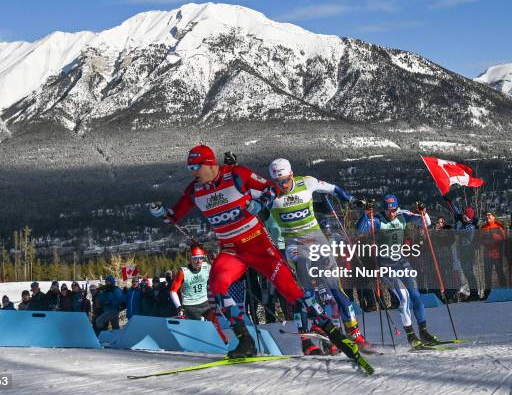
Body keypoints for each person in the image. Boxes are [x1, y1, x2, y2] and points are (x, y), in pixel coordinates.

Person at [150, 145, 362, 362]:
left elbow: (271, 188)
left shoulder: (236, 175)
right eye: (190, 167)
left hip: (258, 244)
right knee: (217, 285)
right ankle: (245, 340)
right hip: (232, 250)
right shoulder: (194, 190)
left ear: (209, 163)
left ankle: (332, 332)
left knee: (292, 293)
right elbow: (174, 216)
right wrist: (162, 213)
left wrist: (261, 203)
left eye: (196, 166)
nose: (193, 172)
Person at [267, 158, 372, 354]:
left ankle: (354, 333)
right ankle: (314, 333)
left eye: (284, 181)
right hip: (294, 244)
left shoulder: (306, 182)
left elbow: (333, 189)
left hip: (317, 239)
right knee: (306, 288)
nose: (282, 186)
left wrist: (352, 200)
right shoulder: (269, 193)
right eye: (277, 183)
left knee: (335, 289)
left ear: (291, 175)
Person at [357, 194, 440, 348]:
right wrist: (366, 212)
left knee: (416, 296)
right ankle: (411, 336)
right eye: (389, 211)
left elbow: (426, 222)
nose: (392, 213)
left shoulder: (403, 215)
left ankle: (423, 332)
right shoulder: (378, 219)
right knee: (404, 297)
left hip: (402, 262)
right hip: (386, 266)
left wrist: (423, 211)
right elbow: (359, 230)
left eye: (394, 210)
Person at [170, 246, 228, 342]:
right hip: (190, 306)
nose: (198, 262)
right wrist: (178, 306)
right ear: (190, 258)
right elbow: (173, 291)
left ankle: (223, 341)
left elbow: (219, 270)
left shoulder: (206, 267)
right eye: (195, 259)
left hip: (204, 303)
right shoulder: (183, 272)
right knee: (199, 328)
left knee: (214, 322)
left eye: (201, 258)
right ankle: (200, 344)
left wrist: (217, 260)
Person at [443, 195, 480, 301]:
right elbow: (457, 212)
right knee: (467, 273)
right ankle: (473, 293)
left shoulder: (471, 227)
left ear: (470, 217)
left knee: (469, 272)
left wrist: (458, 222)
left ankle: (474, 293)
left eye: (466, 216)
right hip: (463, 251)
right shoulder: (466, 222)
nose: (464, 217)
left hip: (468, 251)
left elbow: (458, 231)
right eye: (464, 215)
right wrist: (450, 202)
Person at [479, 211, 506, 298]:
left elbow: (503, 238)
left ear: (494, 216)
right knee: (487, 274)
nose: (487, 217)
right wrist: (488, 242)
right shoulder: (483, 227)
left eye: (489, 215)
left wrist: (494, 236)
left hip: (497, 254)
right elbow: (480, 240)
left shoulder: (498, 226)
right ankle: (487, 293)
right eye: (486, 215)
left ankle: (504, 290)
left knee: (500, 272)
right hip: (487, 254)